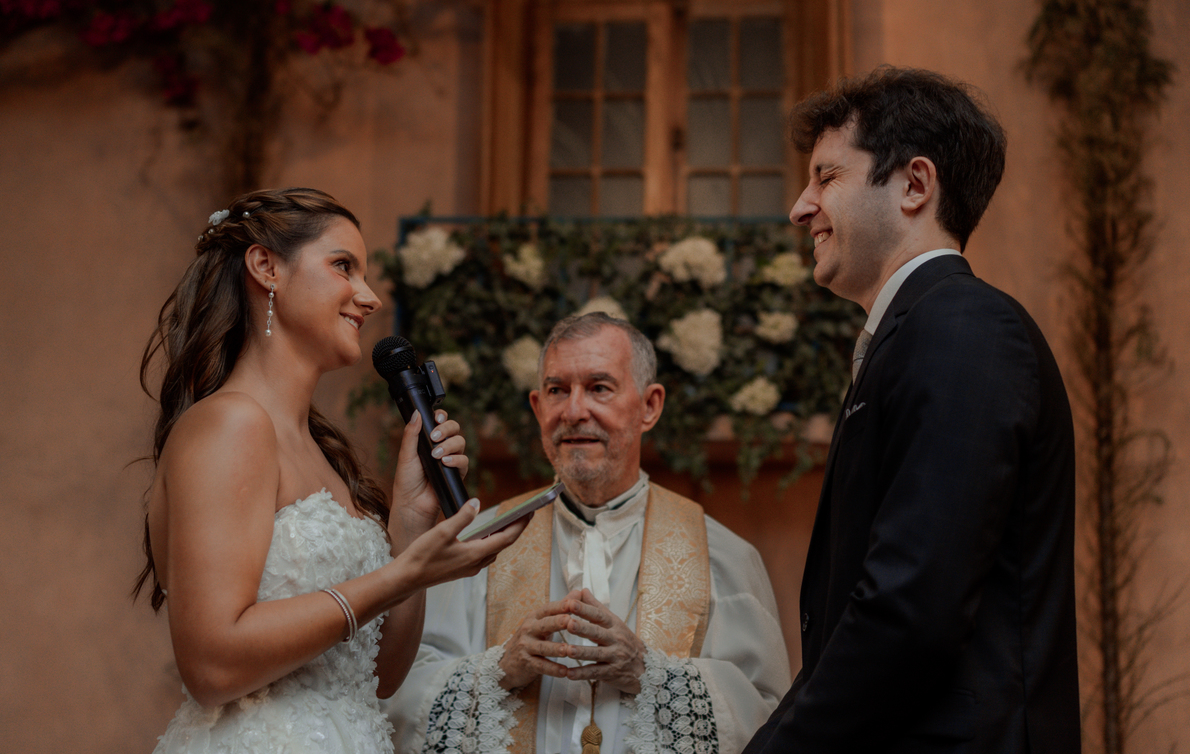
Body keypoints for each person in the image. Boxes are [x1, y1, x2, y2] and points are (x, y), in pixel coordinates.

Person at [742, 67, 1081, 753]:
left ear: (914, 185)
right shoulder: (923, 331)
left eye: (826, 177)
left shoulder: (963, 326)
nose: (801, 208)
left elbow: (909, 611)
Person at [134, 187, 526, 753]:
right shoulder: (229, 425)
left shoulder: (322, 453)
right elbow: (211, 667)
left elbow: (379, 676)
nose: (369, 298)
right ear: (266, 267)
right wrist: (402, 575)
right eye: (344, 266)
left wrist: (409, 526)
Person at [385, 312, 790, 753]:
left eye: (599, 388)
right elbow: (399, 696)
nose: (574, 412)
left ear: (650, 406)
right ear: (538, 408)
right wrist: (502, 668)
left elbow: (767, 718)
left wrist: (648, 672)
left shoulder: (723, 555)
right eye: (557, 390)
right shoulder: (478, 546)